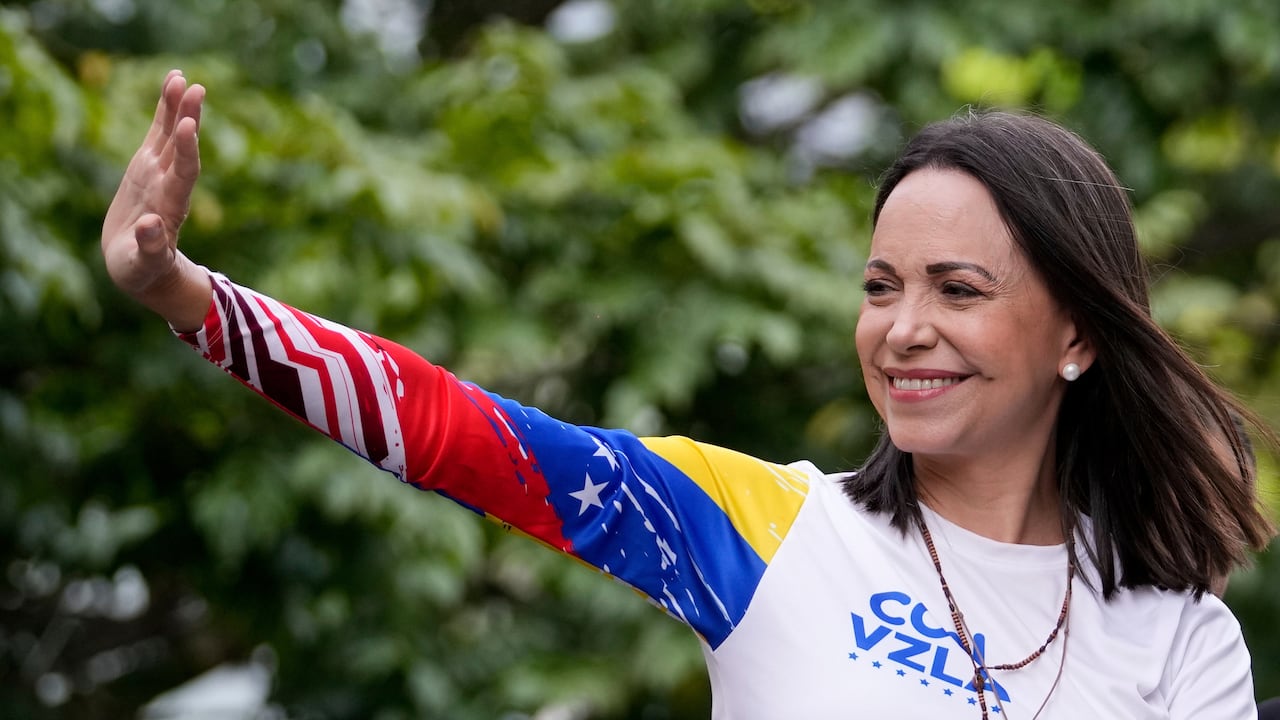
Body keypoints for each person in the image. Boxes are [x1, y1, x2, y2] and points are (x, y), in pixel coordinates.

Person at [103, 70, 1275, 719]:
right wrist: (184, 294)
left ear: (1076, 334)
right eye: (879, 286)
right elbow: (453, 429)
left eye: (957, 290)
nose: (903, 329)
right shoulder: (760, 527)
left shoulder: (1175, 639)